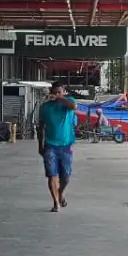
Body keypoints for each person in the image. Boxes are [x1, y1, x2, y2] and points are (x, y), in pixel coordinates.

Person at [37, 82, 78, 212]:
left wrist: (60, 98)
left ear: (64, 92)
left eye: (59, 92)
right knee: (52, 175)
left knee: (65, 176)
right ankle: (56, 203)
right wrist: (40, 144)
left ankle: (60, 193)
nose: (57, 94)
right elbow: (41, 127)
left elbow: (73, 106)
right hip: (50, 145)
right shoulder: (45, 107)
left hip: (66, 146)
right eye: (54, 92)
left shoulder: (68, 102)